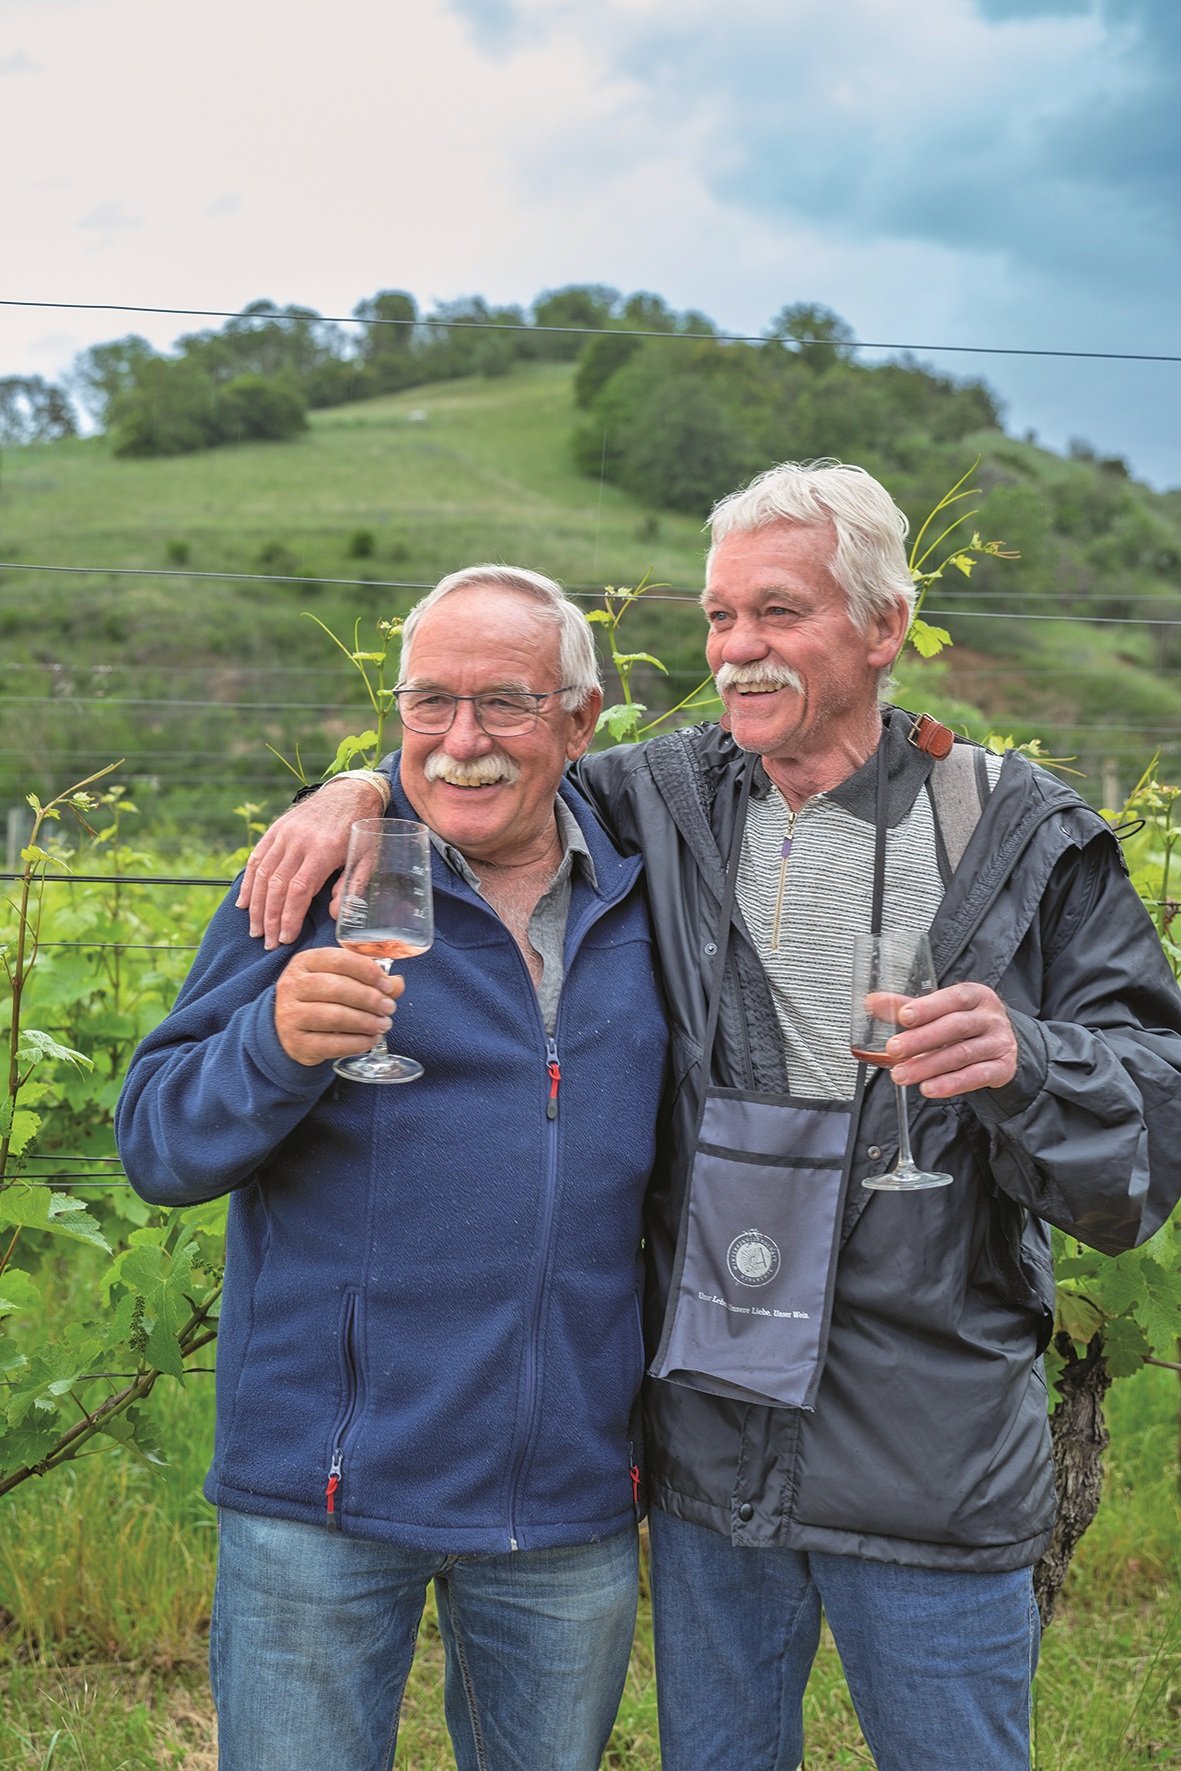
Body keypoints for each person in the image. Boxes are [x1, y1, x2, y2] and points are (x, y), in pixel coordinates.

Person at [238, 462, 1181, 1771]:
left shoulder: (1019, 830)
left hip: (929, 1443)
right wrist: (354, 794)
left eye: (777, 612)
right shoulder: (650, 799)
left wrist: (1032, 1055)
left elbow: (1152, 1108)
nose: (735, 649)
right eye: (719, 615)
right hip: (712, 1449)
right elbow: (481, 764)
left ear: (883, 626)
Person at [115, 565, 669, 1771]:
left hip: (562, 1502)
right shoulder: (316, 882)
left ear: (578, 721)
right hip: (322, 1493)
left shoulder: (653, 888)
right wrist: (271, 1048)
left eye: (505, 705)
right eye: (429, 703)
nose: (460, 741)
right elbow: (156, 1141)